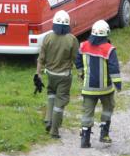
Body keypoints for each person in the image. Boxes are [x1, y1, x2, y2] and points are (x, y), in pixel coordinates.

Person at [75, 20, 122, 148]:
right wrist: (118, 84)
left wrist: (81, 73)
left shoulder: (83, 46)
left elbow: (78, 62)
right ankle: (104, 134)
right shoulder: (109, 49)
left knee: (87, 113)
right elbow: (114, 68)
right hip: (105, 89)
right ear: (106, 33)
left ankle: (85, 139)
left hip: (88, 88)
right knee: (108, 108)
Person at [36, 10, 80, 139]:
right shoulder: (72, 39)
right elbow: (76, 59)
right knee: (60, 102)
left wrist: (38, 74)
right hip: (64, 76)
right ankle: (54, 131)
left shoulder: (47, 37)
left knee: (51, 95)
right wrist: (82, 73)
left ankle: (48, 119)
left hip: (50, 74)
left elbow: (41, 58)